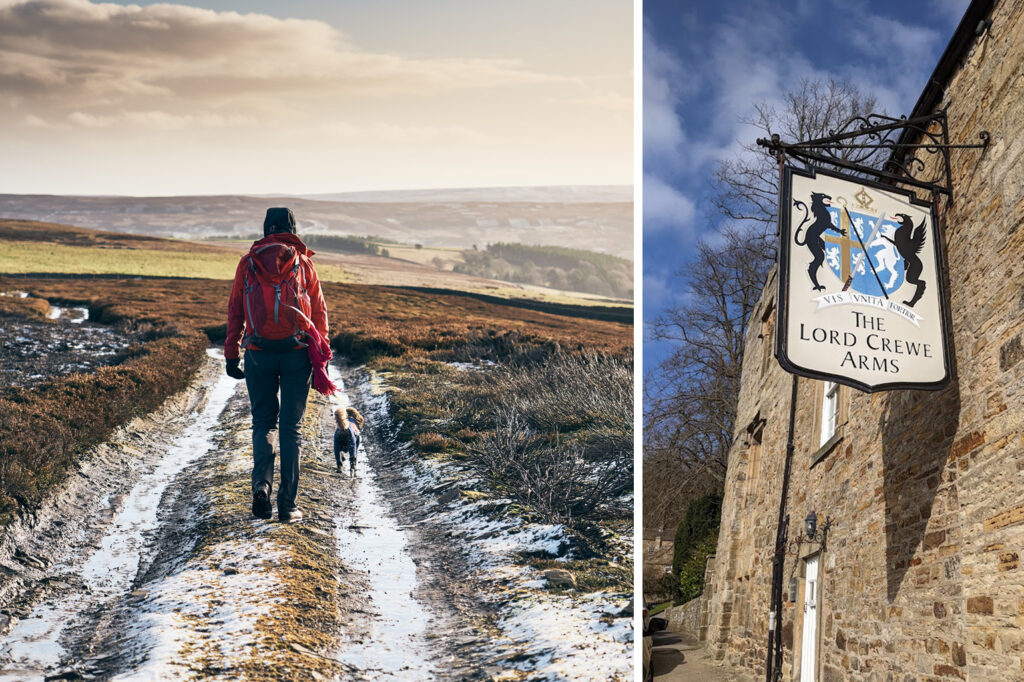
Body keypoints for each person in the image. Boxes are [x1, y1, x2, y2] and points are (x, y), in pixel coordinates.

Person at [224, 207, 329, 523]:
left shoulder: (248, 263)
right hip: (297, 352)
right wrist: (321, 357)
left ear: (266, 229)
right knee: (291, 427)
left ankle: (261, 489)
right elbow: (320, 314)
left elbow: (235, 311)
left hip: (258, 352)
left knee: (263, 423)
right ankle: (287, 505)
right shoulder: (303, 263)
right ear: (292, 229)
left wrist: (231, 353)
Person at [333, 406, 364, 475]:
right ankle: (353, 467)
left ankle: (339, 466)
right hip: (351, 434)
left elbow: (336, 447)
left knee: (337, 447)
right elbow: (354, 448)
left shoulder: (340, 426)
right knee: (353, 448)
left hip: (339, 433)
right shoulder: (354, 424)